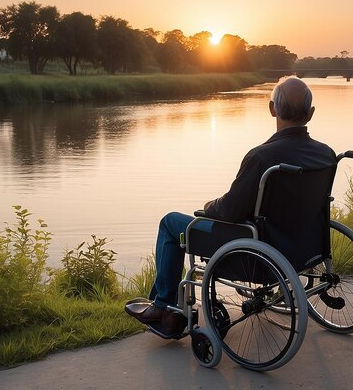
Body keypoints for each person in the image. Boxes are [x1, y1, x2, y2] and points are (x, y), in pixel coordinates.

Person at [126, 76, 336, 334]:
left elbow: (230, 210)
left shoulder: (263, 156)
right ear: (311, 114)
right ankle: (164, 306)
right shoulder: (325, 153)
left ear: (272, 109)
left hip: (256, 252)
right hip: (303, 248)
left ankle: (163, 306)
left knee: (170, 222)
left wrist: (209, 206)